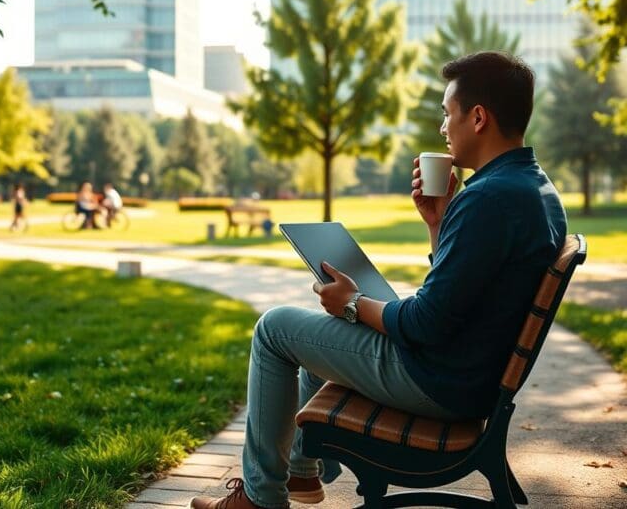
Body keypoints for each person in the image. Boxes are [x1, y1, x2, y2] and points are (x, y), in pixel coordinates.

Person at [190, 52, 568, 509]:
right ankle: (300, 475)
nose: (443, 128)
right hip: (467, 373)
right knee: (322, 340)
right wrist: (439, 222)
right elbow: (464, 293)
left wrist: (353, 304)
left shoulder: (489, 198)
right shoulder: (533, 188)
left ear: (479, 117)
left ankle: (259, 498)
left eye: (447, 115)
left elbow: (426, 323)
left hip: (441, 382)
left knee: (275, 329)